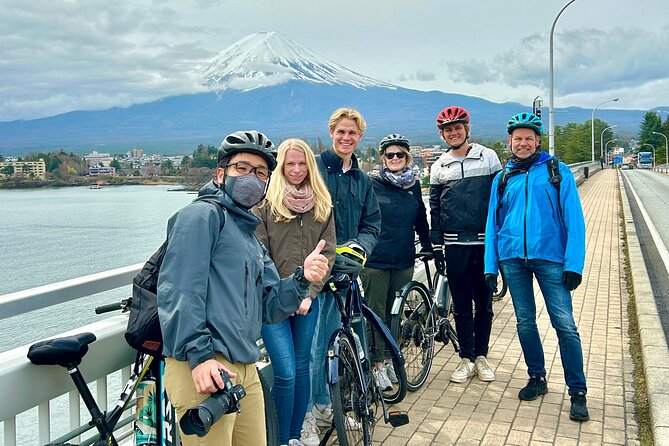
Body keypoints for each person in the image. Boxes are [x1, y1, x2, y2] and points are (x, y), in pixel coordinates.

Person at [157, 130, 330, 445]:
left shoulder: (248, 235)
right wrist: (200, 355)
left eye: (261, 172)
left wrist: (301, 279)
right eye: (242, 168)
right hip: (205, 364)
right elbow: (181, 291)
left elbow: (269, 305)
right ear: (221, 174)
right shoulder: (201, 216)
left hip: (244, 367)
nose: (252, 177)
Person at [483, 112, 589, 422]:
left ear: (538, 140)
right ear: (510, 142)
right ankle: (537, 377)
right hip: (513, 258)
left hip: (551, 258)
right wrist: (492, 265)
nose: (524, 143)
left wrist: (574, 264)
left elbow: (574, 221)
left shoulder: (557, 171)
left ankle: (577, 391)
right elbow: (493, 224)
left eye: (529, 138)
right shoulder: (502, 179)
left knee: (565, 325)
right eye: (518, 138)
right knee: (525, 322)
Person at [253, 139, 336, 446]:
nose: (297, 169)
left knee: (302, 369)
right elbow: (259, 256)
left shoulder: (322, 204)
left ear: (310, 166)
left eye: (302, 163)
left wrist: (309, 293)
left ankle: (292, 436)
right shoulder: (265, 205)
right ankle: (277, 439)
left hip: (306, 302)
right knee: (285, 373)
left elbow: (327, 255)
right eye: (290, 164)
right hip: (272, 303)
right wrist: (286, 292)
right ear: (281, 166)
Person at [310, 107, 381, 429]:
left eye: (352, 133)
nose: (346, 137)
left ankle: (339, 405)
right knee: (316, 345)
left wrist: (360, 249)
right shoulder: (313, 169)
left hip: (348, 274)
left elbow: (372, 223)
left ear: (360, 136)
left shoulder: (363, 180)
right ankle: (319, 409)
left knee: (344, 341)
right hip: (316, 274)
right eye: (341, 132)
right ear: (331, 133)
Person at [429, 106, 502, 384]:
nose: (453, 132)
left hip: (484, 243)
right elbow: (434, 209)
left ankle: (481, 356)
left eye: (457, 127)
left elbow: (500, 201)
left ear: (467, 129)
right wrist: (437, 246)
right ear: (442, 134)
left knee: (483, 302)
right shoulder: (439, 166)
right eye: (448, 129)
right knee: (460, 304)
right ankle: (466, 358)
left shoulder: (488, 157)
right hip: (454, 245)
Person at [360, 133, 431, 388]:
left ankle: (390, 359)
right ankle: (377, 364)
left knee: (394, 314)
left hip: (404, 260)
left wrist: (429, 247)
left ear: (407, 157)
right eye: (390, 155)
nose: (395, 158)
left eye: (400, 154)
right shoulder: (371, 184)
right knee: (375, 314)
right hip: (375, 262)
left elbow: (421, 220)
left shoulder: (413, 185)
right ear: (382, 158)